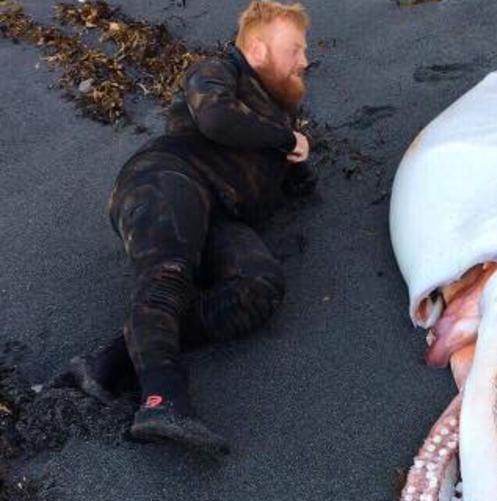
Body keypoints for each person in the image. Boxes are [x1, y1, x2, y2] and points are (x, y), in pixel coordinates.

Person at [65, 1, 316, 454]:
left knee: (260, 285)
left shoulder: (279, 114)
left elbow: (282, 175)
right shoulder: (218, 71)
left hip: (221, 212)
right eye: (294, 49)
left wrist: (299, 162)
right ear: (257, 48)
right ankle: (163, 399)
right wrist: (285, 140)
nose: (304, 60)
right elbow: (217, 119)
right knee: (169, 274)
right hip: (166, 179)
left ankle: (109, 362)